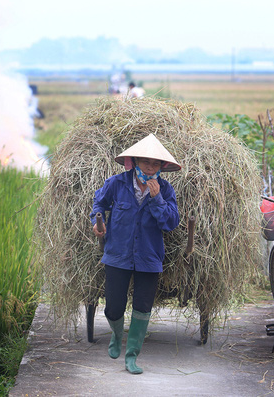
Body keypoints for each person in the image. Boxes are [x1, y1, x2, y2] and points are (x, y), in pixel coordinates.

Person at [90, 133, 181, 374]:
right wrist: (97, 222)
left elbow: (171, 223)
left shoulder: (165, 190)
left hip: (149, 257)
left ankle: (131, 356)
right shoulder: (117, 184)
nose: (150, 169)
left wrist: (157, 199)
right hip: (117, 254)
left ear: (161, 167)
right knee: (113, 307)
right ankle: (116, 334)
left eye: (156, 164)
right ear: (135, 162)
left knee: (142, 307)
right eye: (146, 163)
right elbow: (98, 204)